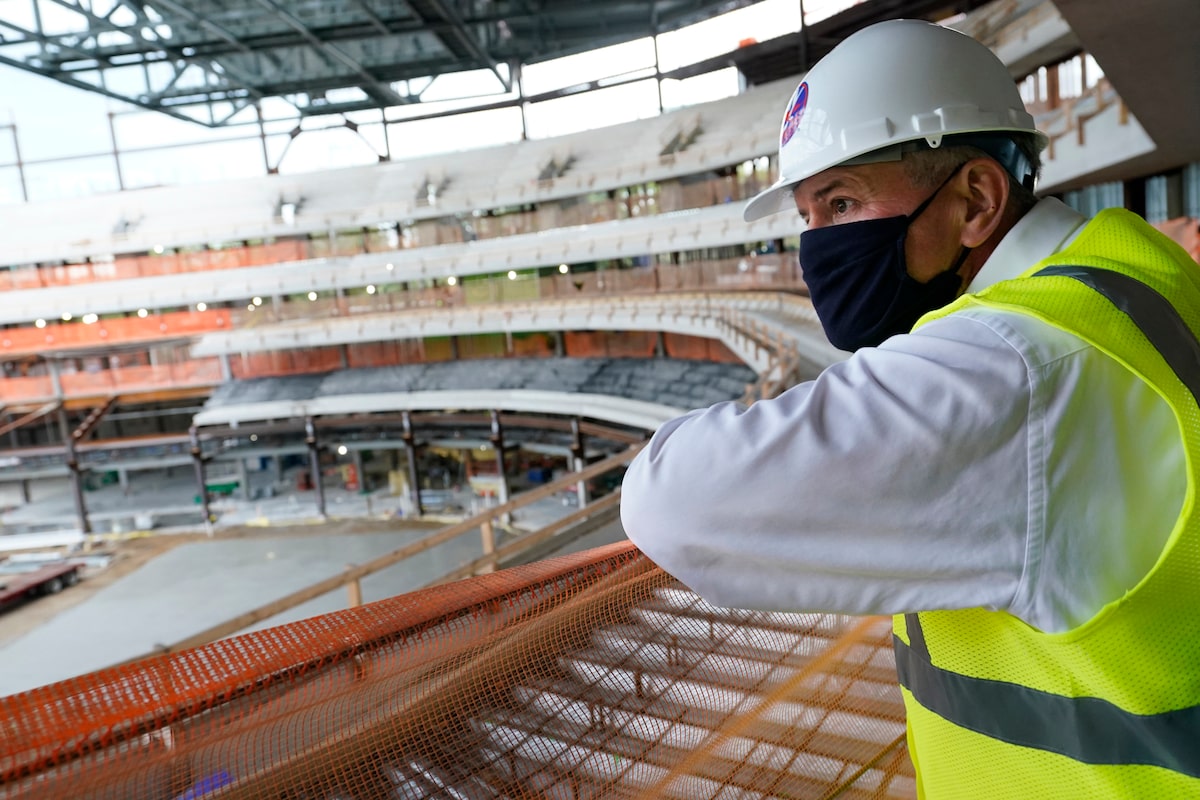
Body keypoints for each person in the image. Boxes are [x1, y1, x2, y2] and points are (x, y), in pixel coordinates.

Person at [619, 19, 1200, 798]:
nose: (817, 247)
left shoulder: (1014, 367)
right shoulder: (1124, 269)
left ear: (976, 200)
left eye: (843, 202)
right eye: (808, 217)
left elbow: (672, 500)